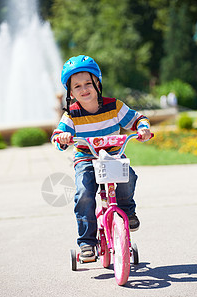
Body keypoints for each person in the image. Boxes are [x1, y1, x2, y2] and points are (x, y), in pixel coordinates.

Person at [51, 55, 151, 262]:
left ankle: (127, 210)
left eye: (89, 83)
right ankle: (87, 241)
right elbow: (56, 136)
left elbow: (137, 119)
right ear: (70, 92)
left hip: (114, 155)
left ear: (98, 83)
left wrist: (143, 129)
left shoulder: (114, 107)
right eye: (77, 86)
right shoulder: (71, 115)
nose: (84, 89)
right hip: (86, 158)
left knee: (128, 177)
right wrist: (63, 137)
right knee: (84, 193)